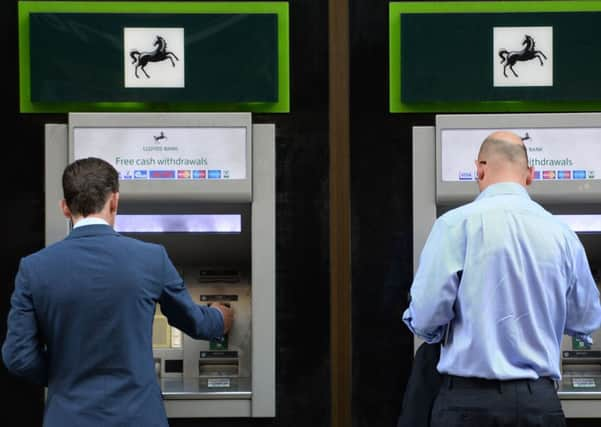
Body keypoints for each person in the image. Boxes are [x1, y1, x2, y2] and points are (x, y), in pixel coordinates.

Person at [2, 157, 234, 426]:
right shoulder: (151, 258)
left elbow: (18, 356)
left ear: (65, 208)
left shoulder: (34, 268)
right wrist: (221, 318)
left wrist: (63, 378)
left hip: (69, 417)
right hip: (138, 417)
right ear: (114, 201)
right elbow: (194, 322)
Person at [402, 131, 601, 427]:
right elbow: (586, 320)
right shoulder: (563, 236)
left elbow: (427, 316)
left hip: (468, 404)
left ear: (479, 169)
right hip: (539, 404)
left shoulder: (454, 225)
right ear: (530, 175)